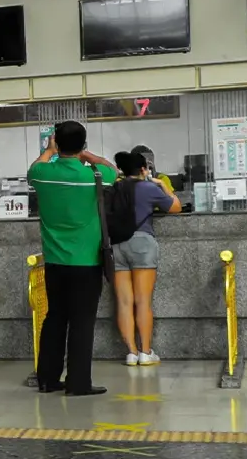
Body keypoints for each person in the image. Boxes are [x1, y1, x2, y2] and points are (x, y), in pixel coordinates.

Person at [27, 121, 117, 396]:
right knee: (82, 322)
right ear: (83, 144)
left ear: (55, 142)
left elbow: (33, 168)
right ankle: (78, 383)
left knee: (54, 318)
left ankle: (47, 379)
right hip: (86, 261)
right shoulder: (94, 176)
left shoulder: (43, 173)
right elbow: (113, 169)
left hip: (54, 261)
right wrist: (87, 156)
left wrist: (49, 149)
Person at [111, 151, 180, 367]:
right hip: (141, 244)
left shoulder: (112, 189)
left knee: (123, 302)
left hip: (115, 246)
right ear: (144, 169)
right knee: (143, 301)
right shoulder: (148, 188)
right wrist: (161, 184)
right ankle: (145, 351)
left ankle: (131, 353)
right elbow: (175, 207)